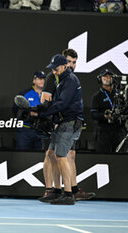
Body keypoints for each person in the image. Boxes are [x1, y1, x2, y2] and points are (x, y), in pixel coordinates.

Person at [39, 49, 95, 203]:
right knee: (52, 154)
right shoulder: (56, 77)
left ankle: (69, 193)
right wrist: (43, 113)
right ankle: (55, 190)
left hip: (69, 122)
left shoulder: (70, 79)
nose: (53, 71)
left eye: (56, 69)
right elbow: (48, 101)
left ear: (64, 67)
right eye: (52, 68)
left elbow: (63, 103)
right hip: (60, 122)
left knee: (63, 156)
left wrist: (43, 113)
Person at [90, 68, 126, 153]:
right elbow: (93, 114)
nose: (107, 78)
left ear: (114, 79)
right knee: (103, 156)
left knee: (121, 156)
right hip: (104, 131)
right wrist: (104, 116)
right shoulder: (97, 96)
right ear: (100, 79)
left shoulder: (121, 94)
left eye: (110, 76)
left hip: (119, 130)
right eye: (104, 76)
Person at [12, 71, 46, 151]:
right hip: (25, 131)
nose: (42, 81)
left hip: (41, 131)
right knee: (22, 157)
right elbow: (15, 111)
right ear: (34, 80)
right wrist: (28, 114)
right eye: (40, 78)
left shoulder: (48, 95)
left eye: (44, 79)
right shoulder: (24, 94)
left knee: (39, 159)